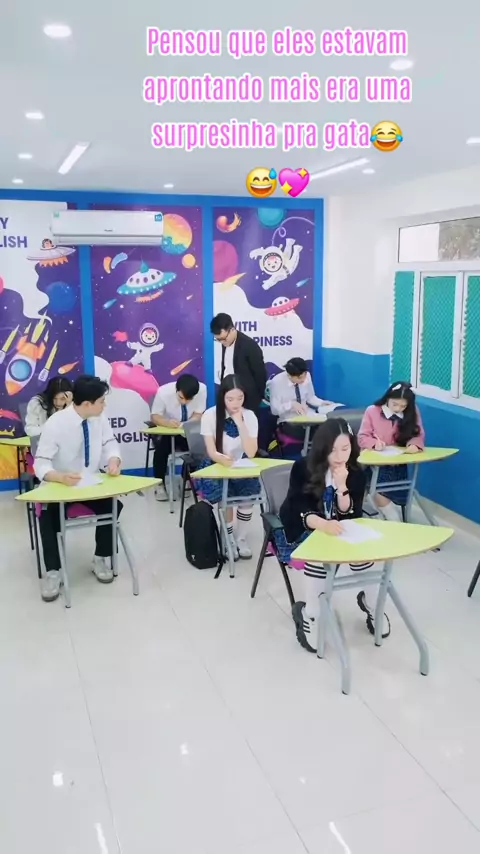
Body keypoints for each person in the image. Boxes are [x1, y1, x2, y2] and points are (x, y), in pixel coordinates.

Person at [278, 418, 390, 653]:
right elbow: (297, 505)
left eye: (345, 448)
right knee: (319, 557)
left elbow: (352, 514)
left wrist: (342, 488)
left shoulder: (356, 472)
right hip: (303, 526)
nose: (340, 456)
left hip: (338, 528)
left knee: (369, 556)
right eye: (333, 450)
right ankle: (311, 614)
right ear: (322, 448)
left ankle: (373, 606)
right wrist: (321, 524)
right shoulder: (303, 467)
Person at [34, 375, 122, 603]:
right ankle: (53, 572)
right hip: (59, 485)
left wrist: (113, 459)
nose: (104, 405)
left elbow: (110, 442)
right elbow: (40, 464)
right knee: (47, 516)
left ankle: (100, 557)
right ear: (87, 404)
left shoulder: (99, 418)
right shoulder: (56, 423)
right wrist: (60, 477)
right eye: (101, 401)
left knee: (114, 506)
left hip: (89, 483)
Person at [197, 375, 260, 560]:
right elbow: (211, 451)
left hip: (241, 464)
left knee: (248, 497)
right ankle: (228, 538)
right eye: (230, 399)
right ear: (222, 397)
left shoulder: (249, 416)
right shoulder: (210, 415)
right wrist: (222, 459)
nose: (235, 403)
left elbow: (251, 452)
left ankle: (241, 538)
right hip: (217, 464)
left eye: (240, 398)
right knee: (227, 499)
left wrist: (240, 423)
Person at [358, 381, 425, 521]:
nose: (398, 409)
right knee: (377, 488)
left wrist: (414, 444)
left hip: (398, 462)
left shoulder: (412, 411)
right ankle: (392, 517)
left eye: (403, 406)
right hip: (375, 462)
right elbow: (362, 437)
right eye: (395, 404)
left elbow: (418, 434)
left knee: (399, 489)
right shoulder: (372, 411)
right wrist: (374, 444)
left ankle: (390, 516)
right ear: (388, 398)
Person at [150, 374, 207, 501]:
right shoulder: (163, 392)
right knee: (161, 450)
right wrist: (167, 423)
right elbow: (155, 416)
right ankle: (159, 483)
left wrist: (187, 424)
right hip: (168, 430)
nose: (184, 402)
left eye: (188, 399)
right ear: (176, 389)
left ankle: (186, 479)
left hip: (187, 430)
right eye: (181, 398)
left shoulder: (202, 390)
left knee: (198, 448)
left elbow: (198, 413)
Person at [210, 313, 267, 415]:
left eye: (223, 339)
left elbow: (260, 375)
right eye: (218, 340)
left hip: (247, 399)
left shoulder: (250, 346)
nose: (222, 342)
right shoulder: (226, 342)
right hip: (227, 396)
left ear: (232, 329)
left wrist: (257, 398)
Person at [268, 357, 327, 441]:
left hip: (308, 416)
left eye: (305, 375)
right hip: (289, 419)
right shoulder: (277, 382)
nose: (303, 379)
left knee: (326, 428)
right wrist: (291, 405)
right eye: (299, 378)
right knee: (308, 433)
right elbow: (274, 410)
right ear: (289, 375)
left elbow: (311, 397)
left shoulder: (306, 376)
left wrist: (322, 403)